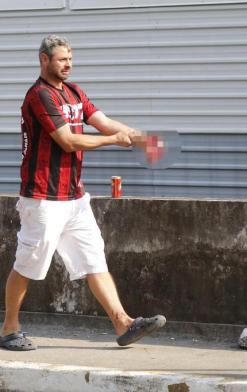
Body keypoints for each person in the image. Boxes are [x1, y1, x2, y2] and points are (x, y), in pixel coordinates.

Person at [0, 35, 166, 351]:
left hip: (75, 199)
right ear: (43, 60)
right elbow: (68, 140)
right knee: (28, 264)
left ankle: (124, 323)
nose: (68, 65)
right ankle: (9, 329)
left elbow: (102, 122)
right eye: (61, 59)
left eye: (70, 59)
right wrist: (114, 140)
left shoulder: (75, 92)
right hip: (43, 199)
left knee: (94, 260)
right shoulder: (39, 96)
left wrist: (140, 137)